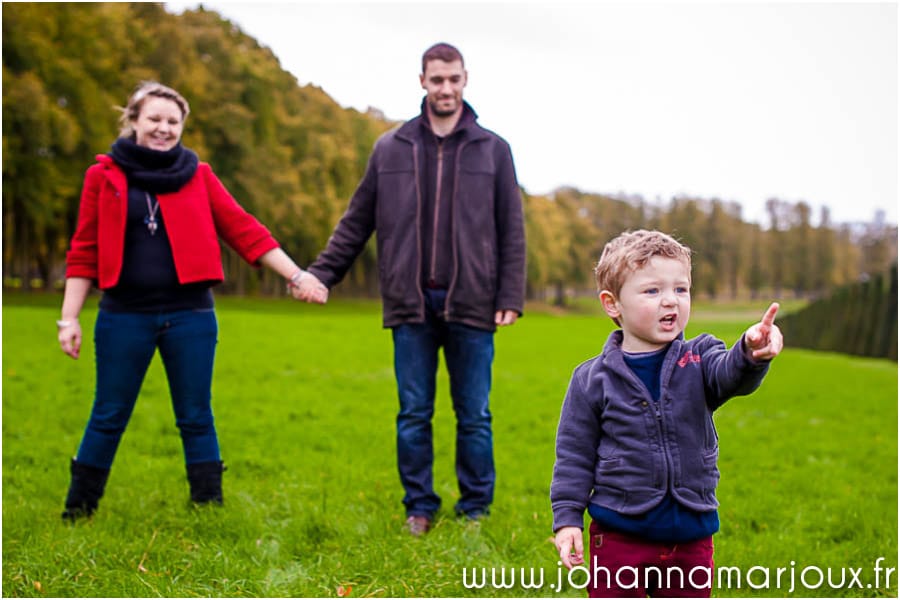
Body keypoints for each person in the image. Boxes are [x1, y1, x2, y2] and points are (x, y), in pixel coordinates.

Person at [57, 81, 327, 521]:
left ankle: (207, 509)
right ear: (133, 121)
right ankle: (79, 509)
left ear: (182, 126)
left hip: (191, 316)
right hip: (124, 315)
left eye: (173, 121)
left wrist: (298, 275)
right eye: (154, 120)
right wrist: (69, 318)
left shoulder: (199, 175)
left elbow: (244, 229)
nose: (163, 129)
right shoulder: (102, 177)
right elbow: (83, 248)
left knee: (196, 414)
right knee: (108, 412)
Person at [304, 42, 526, 535]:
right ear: (421, 81)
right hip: (410, 303)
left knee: (474, 415)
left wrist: (510, 295)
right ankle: (419, 508)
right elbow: (356, 221)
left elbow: (511, 228)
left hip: (473, 302)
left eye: (453, 79)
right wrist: (322, 273)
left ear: (465, 80)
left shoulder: (494, 150)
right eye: (436, 79)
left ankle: (474, 511)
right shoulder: (391, 148)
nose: (445, 88)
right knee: (413, 414)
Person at [551, 229, 783, 597]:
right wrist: (567, 520)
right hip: (618, 534)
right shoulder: (591, 379)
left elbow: (729, 376)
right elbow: (574, 456)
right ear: (613, 304)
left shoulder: (701, 357)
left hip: (691, 533)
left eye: (680, 289)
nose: (670, 301)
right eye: (652, 291)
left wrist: (749, 354)